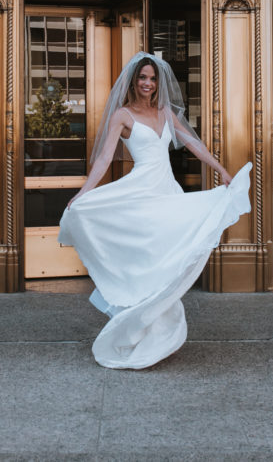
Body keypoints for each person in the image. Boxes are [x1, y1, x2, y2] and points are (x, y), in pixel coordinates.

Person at [59, 52, 252, 369]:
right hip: (140, 193)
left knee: (168, 266)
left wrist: (221, 170)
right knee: (149, 265)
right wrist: (83, 193)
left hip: (166, 194)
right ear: (134, 81)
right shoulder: (122, 115)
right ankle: (139, 330)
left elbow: (193, 144)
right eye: (143, 77)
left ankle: (159, 335)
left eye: (152, 78)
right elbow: (105, 159)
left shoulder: (164, 112)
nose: (148, 83)